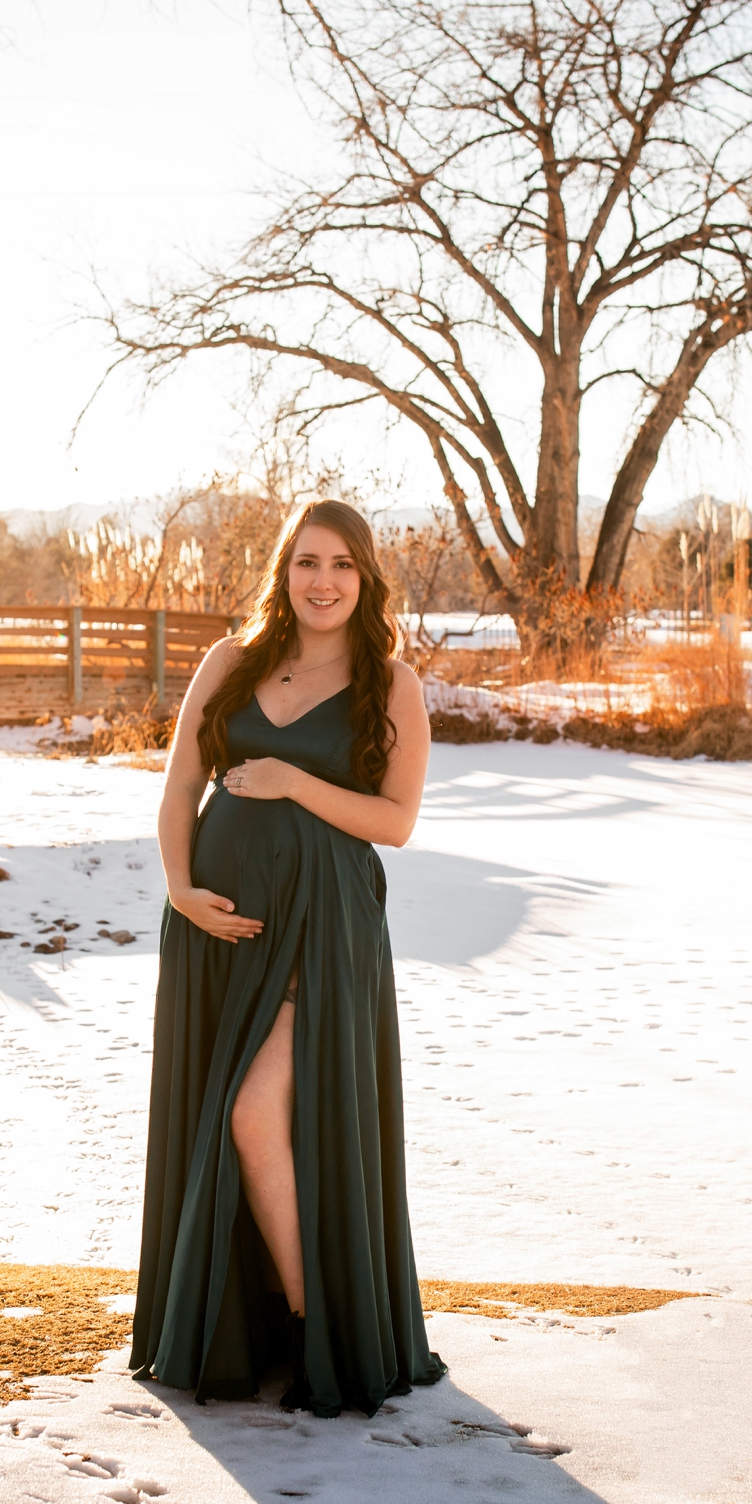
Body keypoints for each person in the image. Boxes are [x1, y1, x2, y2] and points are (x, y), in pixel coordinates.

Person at [130, 498, 445, 1418]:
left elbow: (395, 820)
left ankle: (317, 1324)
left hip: (322, 929)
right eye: (309, 561)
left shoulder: (392, 682)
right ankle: (249, 1325)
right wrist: (182, 888)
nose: (324, 581)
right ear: (285, 570)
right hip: (214, 928)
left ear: (366, 578)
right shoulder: (232, 660)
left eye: (343, 565)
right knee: (221, 1114)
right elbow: (181, 783)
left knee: (255, 1113)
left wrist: (293, 780)